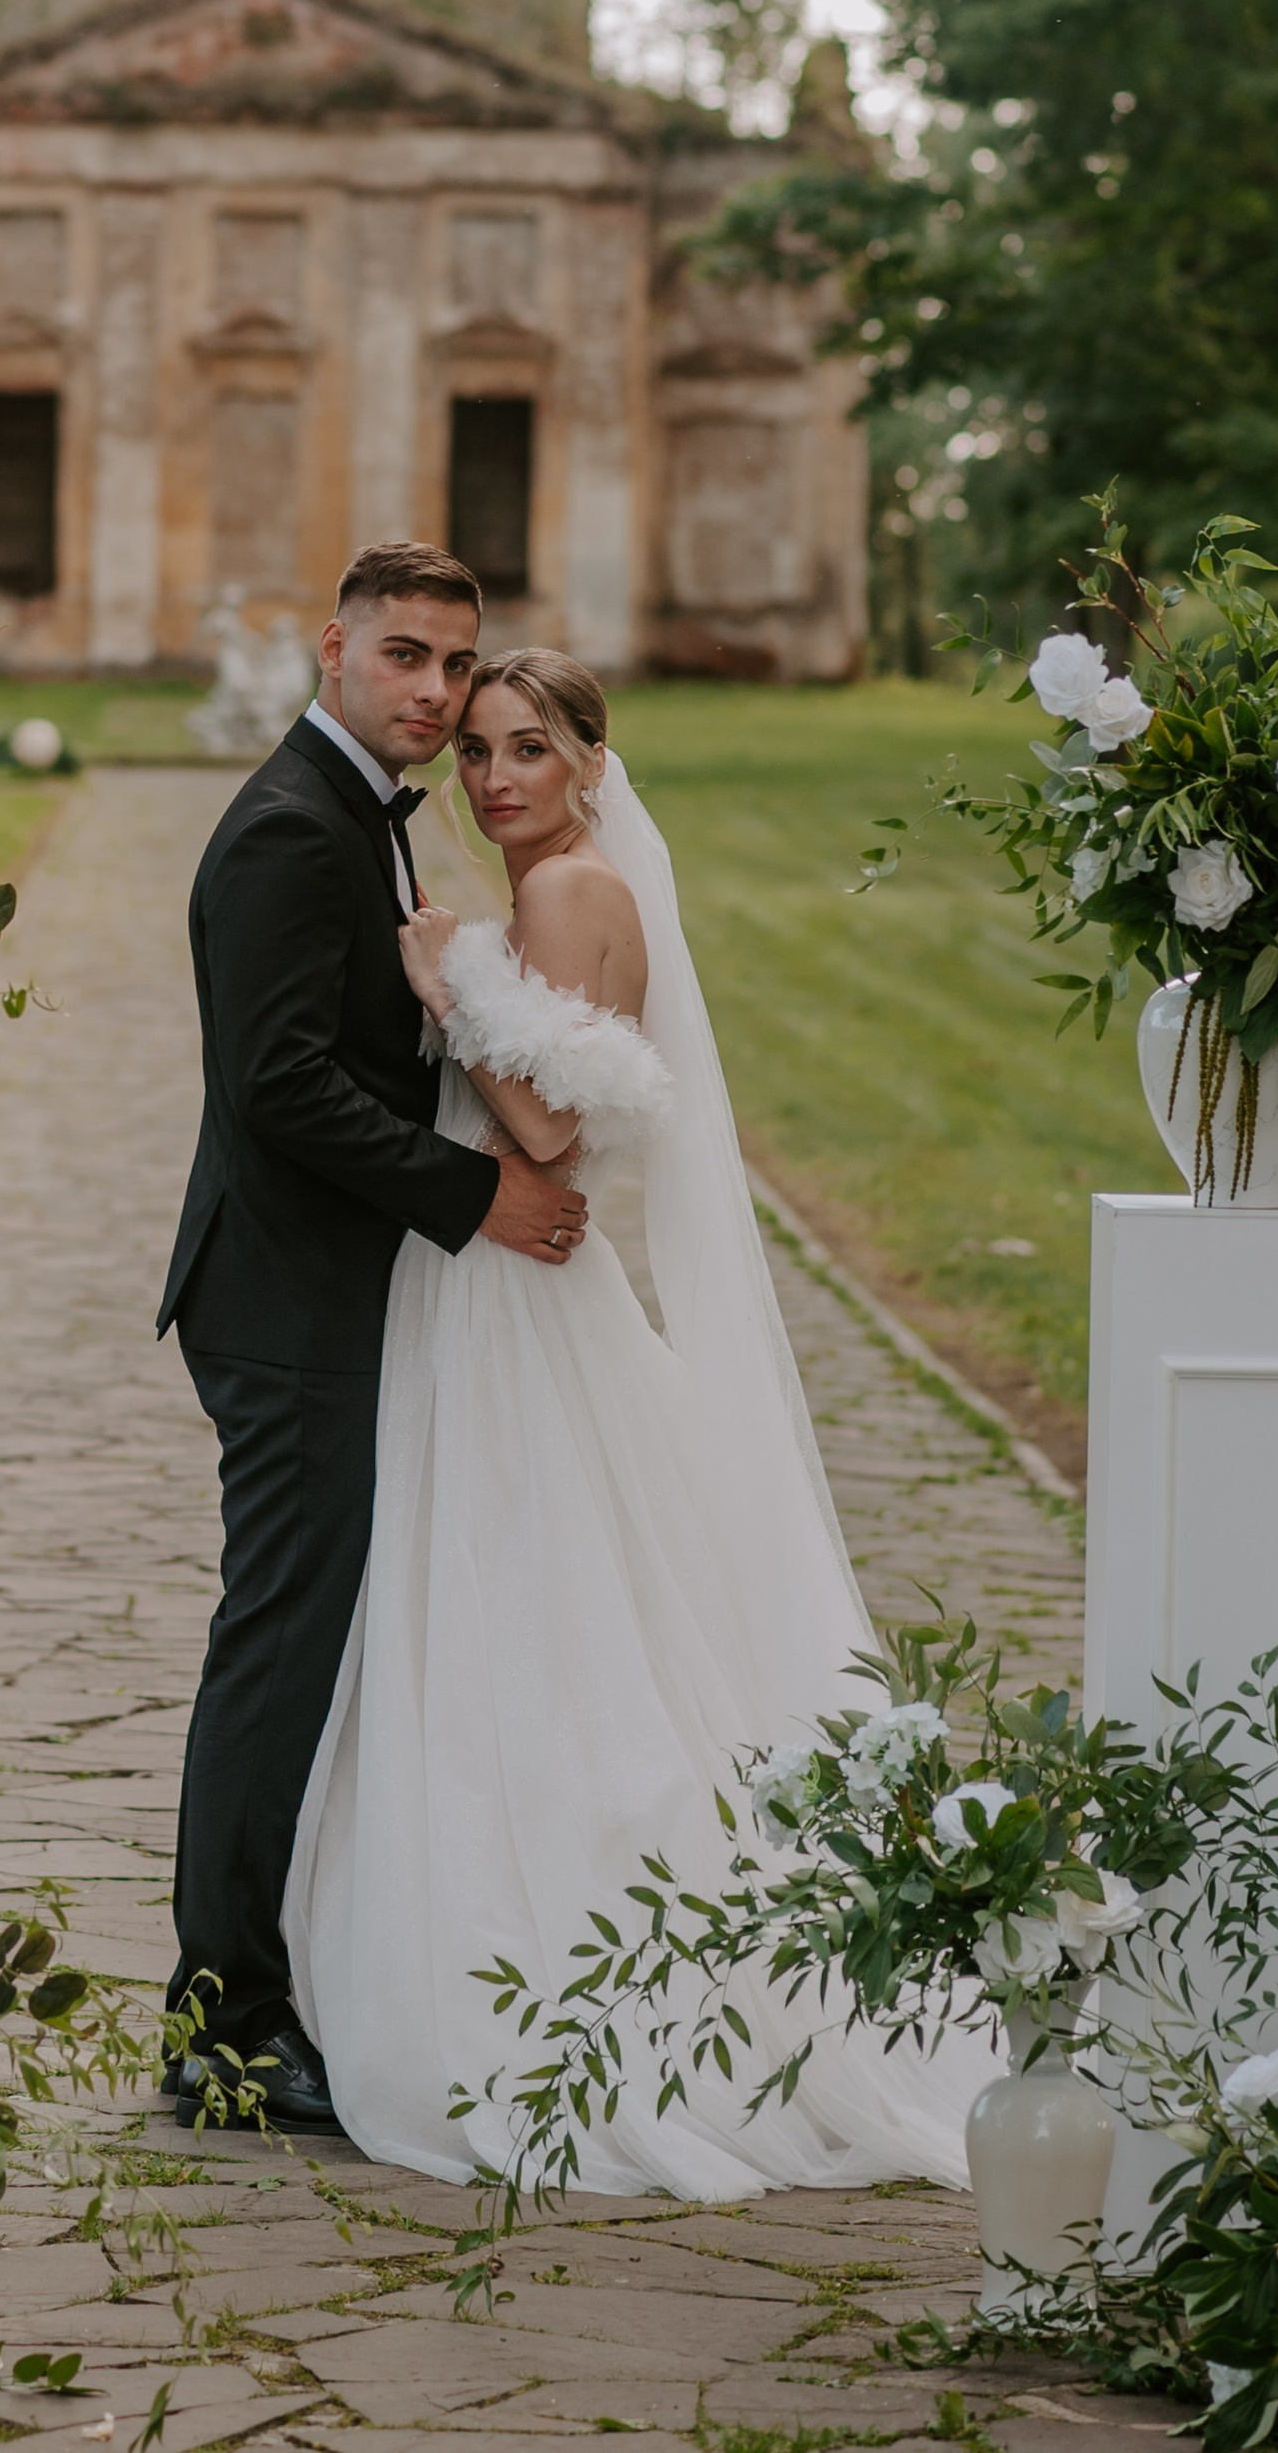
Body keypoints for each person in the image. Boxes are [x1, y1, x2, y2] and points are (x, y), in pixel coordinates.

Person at [281, 646, 981, 2192]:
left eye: (529, 748)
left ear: (592, 762)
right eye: (475, 751)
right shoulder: (574, 884)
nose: (495, 778)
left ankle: (541, 1940)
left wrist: (447, 980)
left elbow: (548, 1123)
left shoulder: (561, 898)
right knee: (546, 1589)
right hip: (513, 1282)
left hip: (517, 1297)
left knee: (524, 1597)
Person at [158, 543, 591, 2132]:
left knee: (312, 1641)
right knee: (277, 1647)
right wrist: (474, 1194)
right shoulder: (287, 830)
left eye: (455, 665)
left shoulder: (352, 814)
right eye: (404, 655)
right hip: (286, 1301)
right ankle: (221, 2024)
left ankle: (287, 1976)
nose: (434, 691)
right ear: (332, 649)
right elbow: (278, 1085)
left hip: (330, 1289)